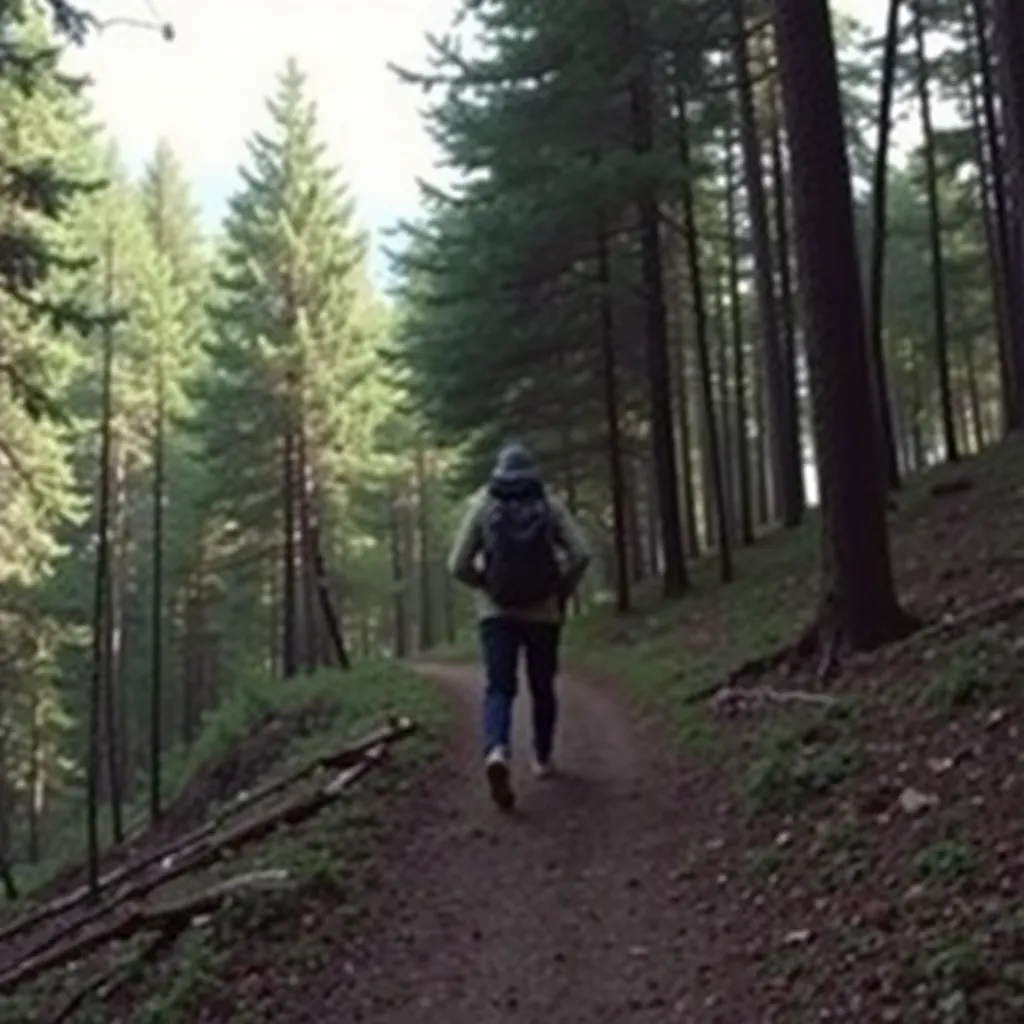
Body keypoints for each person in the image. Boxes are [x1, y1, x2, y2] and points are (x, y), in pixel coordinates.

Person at [446, 442, 591, 810]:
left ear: (498, 472)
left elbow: (457, 564)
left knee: (499, 688)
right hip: (543, 612)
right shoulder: (549, 503)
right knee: (542, 686)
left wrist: (486, 585)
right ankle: (542, 758)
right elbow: (581, 553)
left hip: (497, 613)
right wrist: (561, 591)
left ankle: (497, 750)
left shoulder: (484, 504)